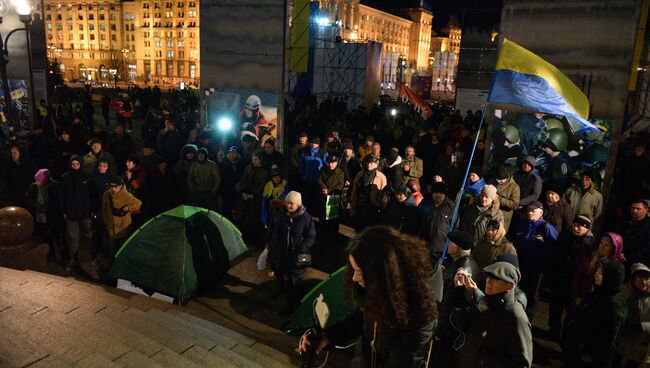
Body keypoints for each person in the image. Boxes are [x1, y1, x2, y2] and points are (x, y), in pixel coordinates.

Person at [297, 226, 436, 367]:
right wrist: (328, 336)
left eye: (360, 272)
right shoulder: (379, 289)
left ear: (384, 272)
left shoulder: (419, 315)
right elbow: (360, 318)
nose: (354, 278)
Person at [457, 260, 533, 368]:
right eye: (488, 277)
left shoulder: (516, 317)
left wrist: (484, 361)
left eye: (496, 279)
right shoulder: (486, 303)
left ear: (510, 286)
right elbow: (463, 326)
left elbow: (522, 364)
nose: (489, 281)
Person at [563, 258, 627, 368]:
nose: (596, 274)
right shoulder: (599, 293)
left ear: (611, 277)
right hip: (579, 351)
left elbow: (608, 341)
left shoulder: (614, 306)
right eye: (597, 271)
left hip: (589, 360)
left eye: (601, 273)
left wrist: (588, 353)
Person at [434, 231, 480, 367]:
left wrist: (439, 331)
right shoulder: (465, 263)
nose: (447, 246)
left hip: (450, 327)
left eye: (451, 243)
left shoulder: (461, 271)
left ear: (458, 248)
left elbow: (449, 303)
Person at [548, 215, 595, 340]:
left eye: (580, 226)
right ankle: (553, 331)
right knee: (555, 307)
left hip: (575, 283)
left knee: (572, 312)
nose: (576, 228)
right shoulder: (565, 235)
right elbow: (556, 254)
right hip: (560, 278)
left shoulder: (590, 244)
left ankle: (565, 337)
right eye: (575, 224)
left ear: (587, 229)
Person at [268, 191, 315, 312]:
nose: (289, 206)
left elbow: (311, 236)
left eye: (292, 204)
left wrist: (303, 247)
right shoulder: (283, 216)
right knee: (287, 279)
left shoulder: (306, 218)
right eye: (288, 203)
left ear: (298, 204)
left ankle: (298, 305)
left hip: (299, 255)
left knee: (297, 280)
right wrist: (275, 247)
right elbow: (277, 233)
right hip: (284, 254)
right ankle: (289, 303)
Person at [510, 201, 558, 317]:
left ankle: (528, 317)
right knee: (517, 289)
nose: (530, 213)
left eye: (533, 211)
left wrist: (544, 261)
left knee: (532, 293)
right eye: (529, 210)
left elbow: (554, 248)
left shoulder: (547, 228)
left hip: (536, 267)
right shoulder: (521, 224)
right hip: (520, 264)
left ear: (541, 213)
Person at [571, 232, 624, 312]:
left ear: (613, 248)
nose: (602, 247)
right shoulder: (589, 259)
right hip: (580, 301)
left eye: (606, 245)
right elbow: (577, 277)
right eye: (601, 243)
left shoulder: (614, 269)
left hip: (597, 306)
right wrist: (576, 296)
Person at [59, 155, 94, 271]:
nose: (75, 167)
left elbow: (92, 195)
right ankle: (73, 260)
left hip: (85, 212)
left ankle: (87, 260)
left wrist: (92, 210)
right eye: (73, 164)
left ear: (81, 164)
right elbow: (62, 196)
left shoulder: (88, 177)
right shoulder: (65, 177)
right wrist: (64, 211)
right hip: (71, 212)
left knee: (87, 236)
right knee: (73, 238)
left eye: (77, 164)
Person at [26, 169, 65, 262]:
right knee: (45, 236)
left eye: (39, 180)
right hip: (40, 216)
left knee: (56, 236)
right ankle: (49, 254)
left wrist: (47, 207)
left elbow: (58, 200)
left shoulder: (55, 186)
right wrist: (37, 206)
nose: (37, 182)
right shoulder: (34, 186)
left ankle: (61, 256)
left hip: (53, 215)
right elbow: (29, 199)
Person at [618, 263, 650, 368]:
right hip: (621, 346)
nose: (644, 282)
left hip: (638, 350)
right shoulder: (625, 292)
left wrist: (642, 326)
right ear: (633, 279)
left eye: (647, 279)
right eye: (640, 279)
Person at [102, 175, 142, 255]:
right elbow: (104, 209)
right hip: (111, 227)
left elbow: (138, 203)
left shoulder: (126, 195)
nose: (113, 189)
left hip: (123, 227)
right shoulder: (107, 194)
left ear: (120, 186)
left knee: (122, 249)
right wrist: (106, 222)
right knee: (112, 248)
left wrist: (128, 208)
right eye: (111, 186)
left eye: (115, 186)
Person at [235, 153, 269, 246]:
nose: (254, 161)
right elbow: (243, 180)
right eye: (253, 159)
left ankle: (254, 239)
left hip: (255, 198)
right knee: (244, 217)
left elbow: (262, 185)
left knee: (253, 218)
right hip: (245, 196)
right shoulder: (248, 168)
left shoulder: (264, 172)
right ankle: (245, 237)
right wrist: (242, 191)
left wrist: (253, 194)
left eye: (256, 159)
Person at [419, 181, 455, 260]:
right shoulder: (426, 204)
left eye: (440, 193)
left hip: (442, 249)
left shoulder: (451, 208)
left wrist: (451, 245)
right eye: (436, 193)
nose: (438, 195)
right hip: (425, 247)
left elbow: (456, 227)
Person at [350, 155, 387, 229]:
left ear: (376, 165)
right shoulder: (360, 173)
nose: (369, 165)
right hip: (359, 204)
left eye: (372, 163)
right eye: (368, 163)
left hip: (371, 206)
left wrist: (379, 204)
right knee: (358, 226)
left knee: (368, 227)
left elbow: (383, 192)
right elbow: (354, 187)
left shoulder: (381, 177)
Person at [317, 155, 345, 238]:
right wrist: (324, 189)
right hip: (323, 196)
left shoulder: (340, 172)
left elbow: (340, 185)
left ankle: (333, 235)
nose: (331, 164)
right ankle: (323, 233)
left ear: (336, 163)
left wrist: (329, 191)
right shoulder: (323, 170)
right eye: (330, 162)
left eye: (333, 163)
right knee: (322, 216)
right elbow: (319, 179)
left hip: (333, 198)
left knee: (333, 217)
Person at [219, 146, 246, 220]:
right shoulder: (224, 164)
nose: (232, 154)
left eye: (234, 153)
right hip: (226, 190)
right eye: (230, 153)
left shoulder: (241, 164)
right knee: (226, 209)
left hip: (237, 191)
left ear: (237, 154)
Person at [623, 199, 650, 267]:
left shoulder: (648, 226)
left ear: (646, 210)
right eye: (632, 208)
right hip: (621, 258)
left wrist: (628, 256)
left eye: (638, 209)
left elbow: (646, 249)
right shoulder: (627, 221)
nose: (634, 211)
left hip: (638, 264)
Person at [495, 165, 520, 231]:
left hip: (503, 217)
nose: (499, 181)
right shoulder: (493, 182)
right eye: (497, 179)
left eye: (501, 180)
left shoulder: (514, 187)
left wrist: (499, 199)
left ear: (507, 178)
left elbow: (514, 205)